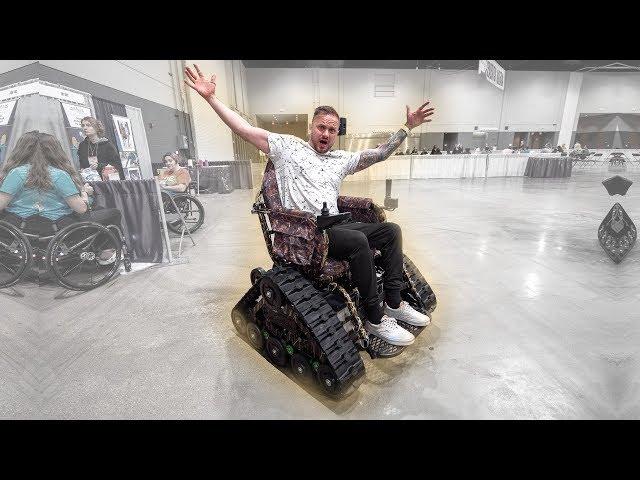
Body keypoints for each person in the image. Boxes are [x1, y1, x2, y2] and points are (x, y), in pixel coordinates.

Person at [185, 63, 435, 347]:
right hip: (309, 232)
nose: (326, 134)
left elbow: (379, 154)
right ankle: (375, 320)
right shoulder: (288, 148)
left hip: (337, 223)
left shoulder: (341, 159)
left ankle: (393, 302)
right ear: (311, 128)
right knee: (357, 242)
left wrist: (407, 127)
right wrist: (210, 98)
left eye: (331, 129)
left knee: (391, 231)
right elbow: (244, 129)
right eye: (321, 127)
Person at [0, 131, 123, 265]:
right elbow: (81, 209)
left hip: (20, 226)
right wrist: (85, 194)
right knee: (114, 213)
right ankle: (105, 254)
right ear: (54, 151)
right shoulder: (59, 175)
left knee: (99, 209)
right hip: (59, 227)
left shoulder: (16, 173)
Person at [77, 117, 125, 181]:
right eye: (83, 125)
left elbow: (117, 165)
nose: (85, 128)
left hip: (106, 182)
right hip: (89, 180)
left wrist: (99, 166)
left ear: (96, 128)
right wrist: (82, 170)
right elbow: (82, 163)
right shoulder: (82, 145)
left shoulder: (107, 145)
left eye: (88, 125)